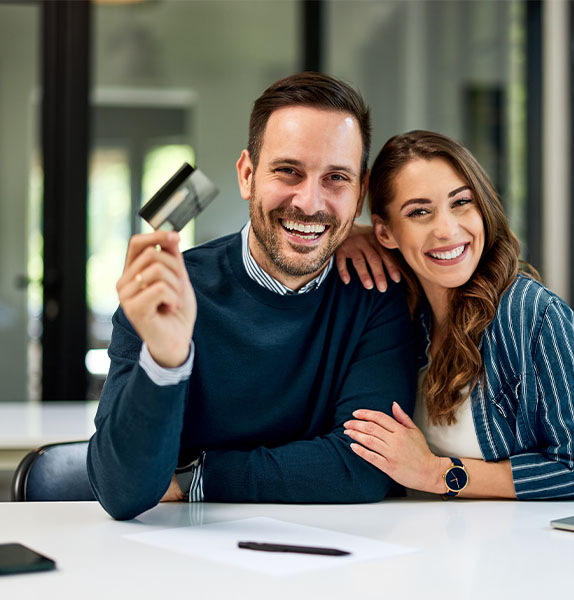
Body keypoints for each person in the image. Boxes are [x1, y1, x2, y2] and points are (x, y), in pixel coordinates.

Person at [87, 73, 418, 520]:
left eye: (336, 178)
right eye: (288, 171)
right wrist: (167, 359)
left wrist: (196, 476)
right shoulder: (167, 295)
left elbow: (362, 467)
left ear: (360, 191)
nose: (309, 202)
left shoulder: (375, 293)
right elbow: (121, 492)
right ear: (247, 175)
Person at [341, 130, 574, 499]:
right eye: (419, 211)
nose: (447, 230)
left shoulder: (534, 316)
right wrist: (342, 235)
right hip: (421, 546)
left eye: (461, 202)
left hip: (512, 551)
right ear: (385, 232)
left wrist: (436, 473)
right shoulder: (398, 315)